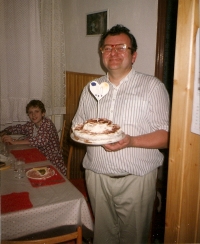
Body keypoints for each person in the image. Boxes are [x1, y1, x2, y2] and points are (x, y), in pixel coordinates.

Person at [72, 24, 170, 244]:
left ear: (133, 55)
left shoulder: (152, 87)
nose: (113, 52)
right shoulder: (91, 88)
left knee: (134, 238)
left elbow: (166, 136)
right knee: (104, 237)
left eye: (121, 47)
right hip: (97, 177)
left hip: (136, 179)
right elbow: (76, 126)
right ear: (101, 53)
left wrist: (131, 141)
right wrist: (84, 132)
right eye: (107, 48)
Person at [0, 100, 66, 176]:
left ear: (43, 113)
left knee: (22, 168)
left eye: (36, 111)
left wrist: (15, 142)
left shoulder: (47, 124)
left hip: (52, 162)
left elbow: (41, 141)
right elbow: (19, 128)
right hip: (38, 157)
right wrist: (5, 132)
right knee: (19, 165)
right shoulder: (32, 125)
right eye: (30, 112)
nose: (33, 115)